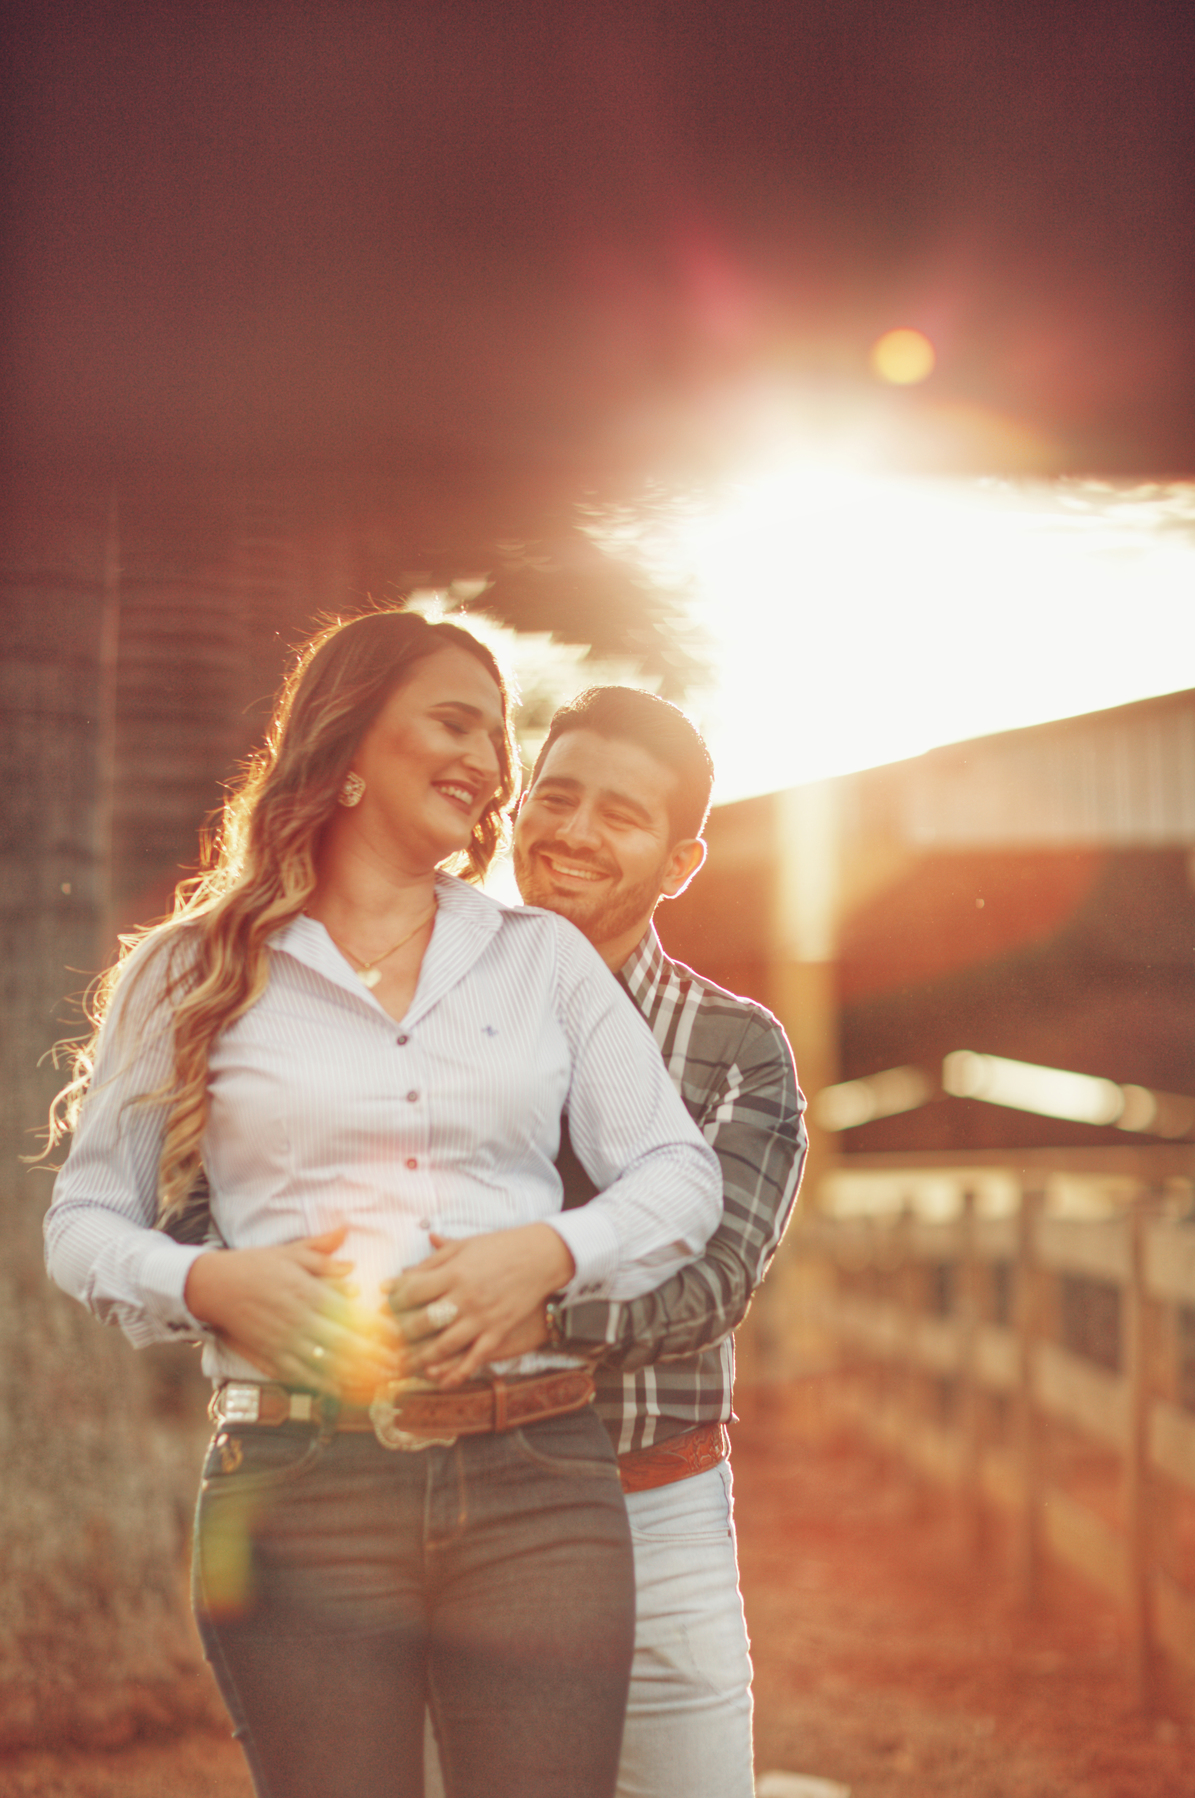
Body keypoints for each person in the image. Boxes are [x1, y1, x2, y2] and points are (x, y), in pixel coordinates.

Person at [43, 614, 723, 1798]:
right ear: (349, 743)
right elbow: (84, 1219)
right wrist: (206, 1280)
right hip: (296, 1484)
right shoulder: (190, 966)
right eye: (455, 722)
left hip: (538, 1481)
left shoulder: (540, 960)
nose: (491, 760)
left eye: (497, 736)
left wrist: (550, 1255)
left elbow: (678, 1171)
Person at [393, 686, 806, 1798]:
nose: (573, 832)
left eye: (619, 815)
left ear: (680, 862)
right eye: (557, 796)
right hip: (442, 1504)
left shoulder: (735, 1049)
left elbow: (713, 1282)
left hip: (652, 1517)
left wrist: (536, 1315)